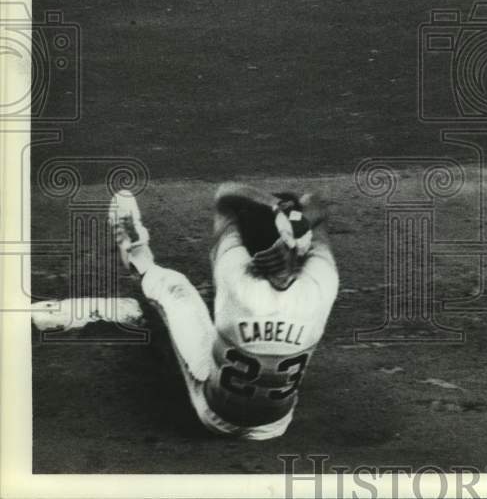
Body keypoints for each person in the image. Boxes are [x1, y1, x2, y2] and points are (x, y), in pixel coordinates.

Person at [110, 183, 339, 438]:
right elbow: (316, 204)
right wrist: (297, 223)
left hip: (215, 415)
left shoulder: (235, 279)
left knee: (177, 292)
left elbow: (225, 197)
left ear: (248, 247)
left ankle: (137, 256)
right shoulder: (323, 283)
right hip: (275, 425)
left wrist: (275, 207)